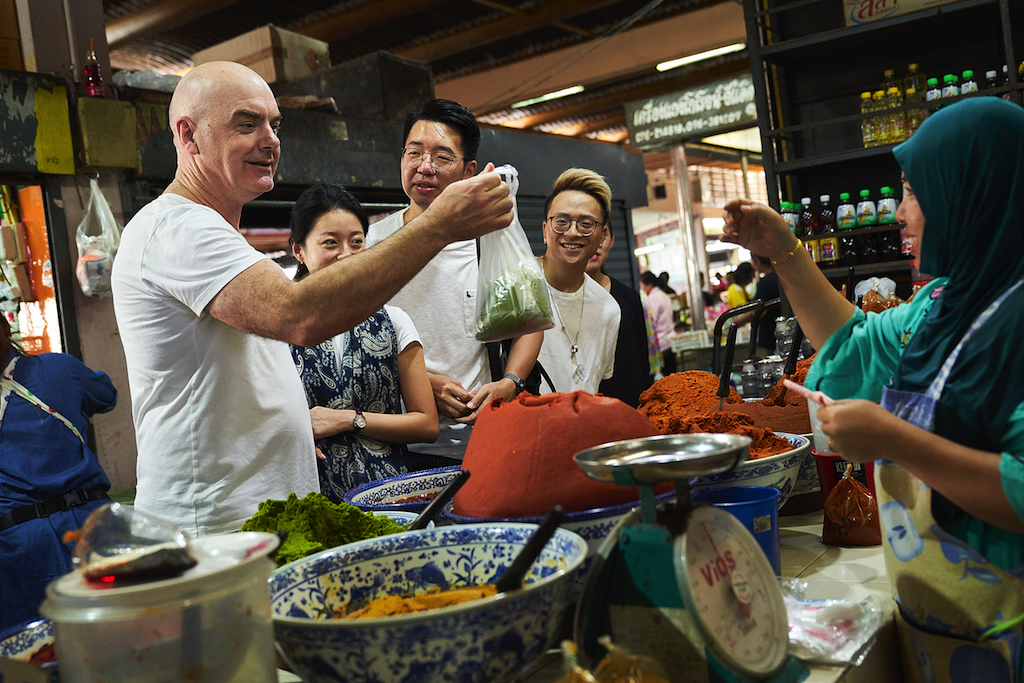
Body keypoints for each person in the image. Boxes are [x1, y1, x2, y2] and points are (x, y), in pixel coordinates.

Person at [111, 63, 513, 537]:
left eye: (274, 125)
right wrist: (440, 224)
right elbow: (298, 314)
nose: (271, 140)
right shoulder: (179, 227)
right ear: (189, 135)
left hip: (255, 517)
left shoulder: (219, 235)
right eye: (247, 123)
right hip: (215, 527)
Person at [723, 98, 1024, 682]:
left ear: (971, 191)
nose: (899, 211)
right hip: (939, 627)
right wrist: (784, 250)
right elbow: (854, 340)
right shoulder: (941, 306)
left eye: (914, 190)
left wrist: (897, 439)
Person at [365, 99, 541, 470]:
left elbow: (530, 321)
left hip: (486, 440)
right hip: (399, 444)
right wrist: (424, 382)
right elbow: (358, 343)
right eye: (414, 154)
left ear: (469, 170)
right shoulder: (373, 241)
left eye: (442, 157)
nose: (424, 167)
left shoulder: (491, 235)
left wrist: (510, 382)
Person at [288, 182, 439, 500]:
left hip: (390, 497)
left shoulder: (394, 320)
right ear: (299, 250)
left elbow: (426, 423)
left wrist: (348, 419)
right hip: (309, 497)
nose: (346, 255)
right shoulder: (277, 329)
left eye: (356, 243)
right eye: (330, 243)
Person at [0, 315, 117, 630]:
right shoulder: (57, 369)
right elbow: (106, 396)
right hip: (94, 525)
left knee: (37, 651)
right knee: (120, 629)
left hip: (19, 548)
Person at [536, 168, 619, 394]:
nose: (572, 233)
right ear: (545, 230)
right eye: (561, 222)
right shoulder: (516, 287)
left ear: (602, 236)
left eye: (586, 224)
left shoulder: (609, 309)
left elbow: (597, 383)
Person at [585, 226, 652, 407]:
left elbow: (642, 364)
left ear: (611, 240)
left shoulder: (629, 297)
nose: (597, 243)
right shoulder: (556, 298)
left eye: (603, 234)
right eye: (588, 230)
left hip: (627, 407)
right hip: (580, 408)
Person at [733, 254, 780, 358]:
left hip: (772, 332)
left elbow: (760, 311)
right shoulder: (778, 276)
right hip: (782, 330)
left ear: (757, 261)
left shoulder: (765, 282)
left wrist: (737, 322)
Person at [640, 270, 676, 375]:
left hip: (662, 342)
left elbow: (651, 322)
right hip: (670, 340)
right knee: (672, 375)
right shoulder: (663, 295)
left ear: (648, 285)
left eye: (641, 285)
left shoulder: (652, 298)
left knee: (666, 380)